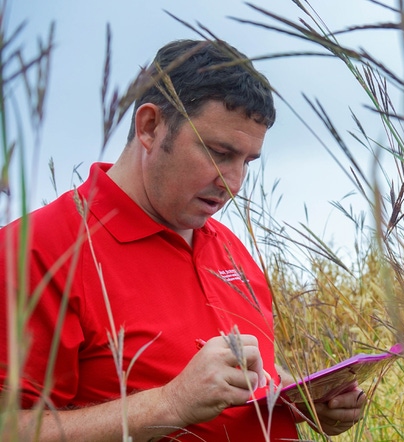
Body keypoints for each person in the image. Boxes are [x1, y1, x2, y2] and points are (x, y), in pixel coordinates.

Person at [0, 39, 365, 441]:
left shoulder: (232, 249)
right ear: (151, 127)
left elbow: (246, 381)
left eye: (247, 161)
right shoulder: (34, 251)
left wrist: (304, 401)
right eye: (218, 152)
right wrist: (169, 404)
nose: (234, 182)